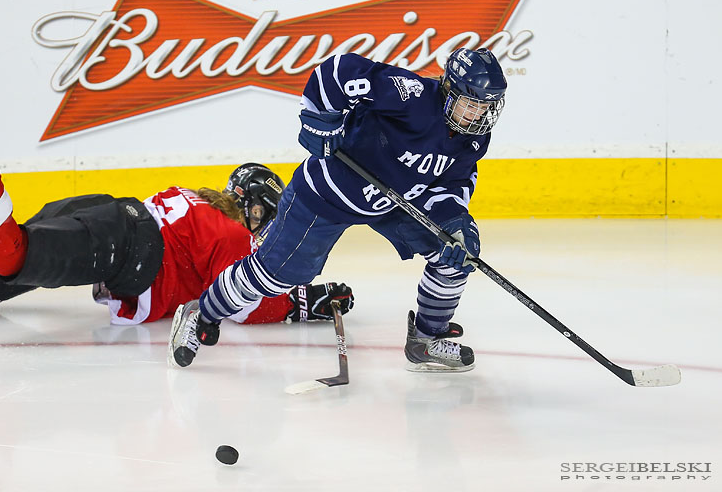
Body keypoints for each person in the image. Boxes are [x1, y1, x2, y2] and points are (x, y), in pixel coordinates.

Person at [0, 111, 354, 326]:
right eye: (263, 212)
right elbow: (248, 303)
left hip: (109, 219)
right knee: (3, 255)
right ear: (247, 203)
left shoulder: (192, 204)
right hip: (124, 242)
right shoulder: (227, 232)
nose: (263, 227)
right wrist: (302, 302)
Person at [169, 48, 507, 372]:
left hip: (392, 203)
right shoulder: (413, 95)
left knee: (456, 256)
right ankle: (202, 312)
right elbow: (337, 72)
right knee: (276, 274)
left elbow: (452, 183)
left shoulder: (474, 138)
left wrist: (456, 225)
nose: (479, 115)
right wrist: (319, 120)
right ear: (448, 90)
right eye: (471, 104)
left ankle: (427, 338)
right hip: (325, 195)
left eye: (487, 107)